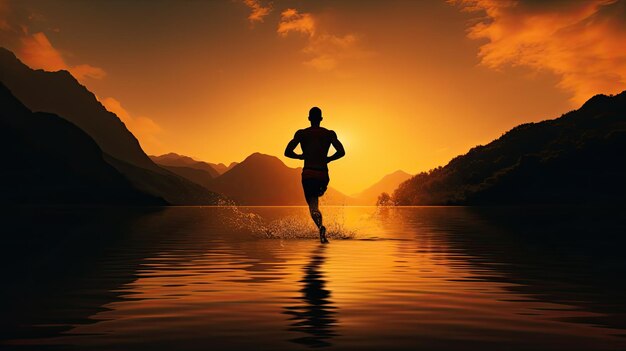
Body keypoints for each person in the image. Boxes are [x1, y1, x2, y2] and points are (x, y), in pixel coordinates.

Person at [284, 107, 345, 243]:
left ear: (309, 118)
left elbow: (287, 152)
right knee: (317, 197)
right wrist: (328, 158)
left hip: (309, 174)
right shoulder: (329, 134)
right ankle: (321, 227)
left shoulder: (301, 134)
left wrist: (300, 156)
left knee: (313, 206)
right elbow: (341, 152)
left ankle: (320, 227)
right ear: (321, 119)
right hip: (323, 175)